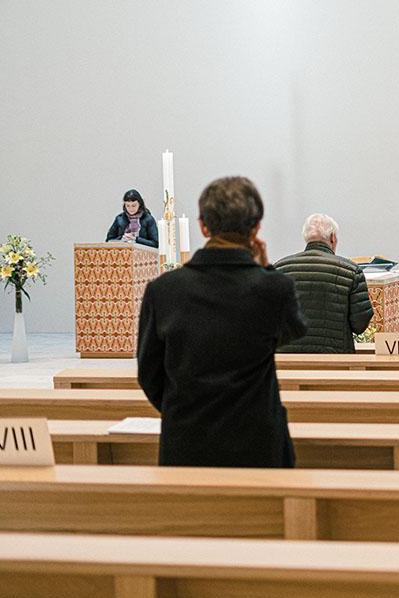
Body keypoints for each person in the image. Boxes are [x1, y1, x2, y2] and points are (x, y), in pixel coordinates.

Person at [137, 176, 307, 467]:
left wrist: (184, 411)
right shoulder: (274, 289)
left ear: (203, 226)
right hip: (257, 442)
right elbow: (293, 331)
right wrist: (265, 268)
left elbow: (149, 373)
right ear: (255, 228)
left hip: (186, 441)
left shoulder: (163, 290)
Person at [275, 213, 373, 353]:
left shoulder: (279, 269)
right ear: (333, 237)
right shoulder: (351, 271)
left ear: (306, 237)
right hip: (335, 360)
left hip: (288, 359)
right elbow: (360, 325)